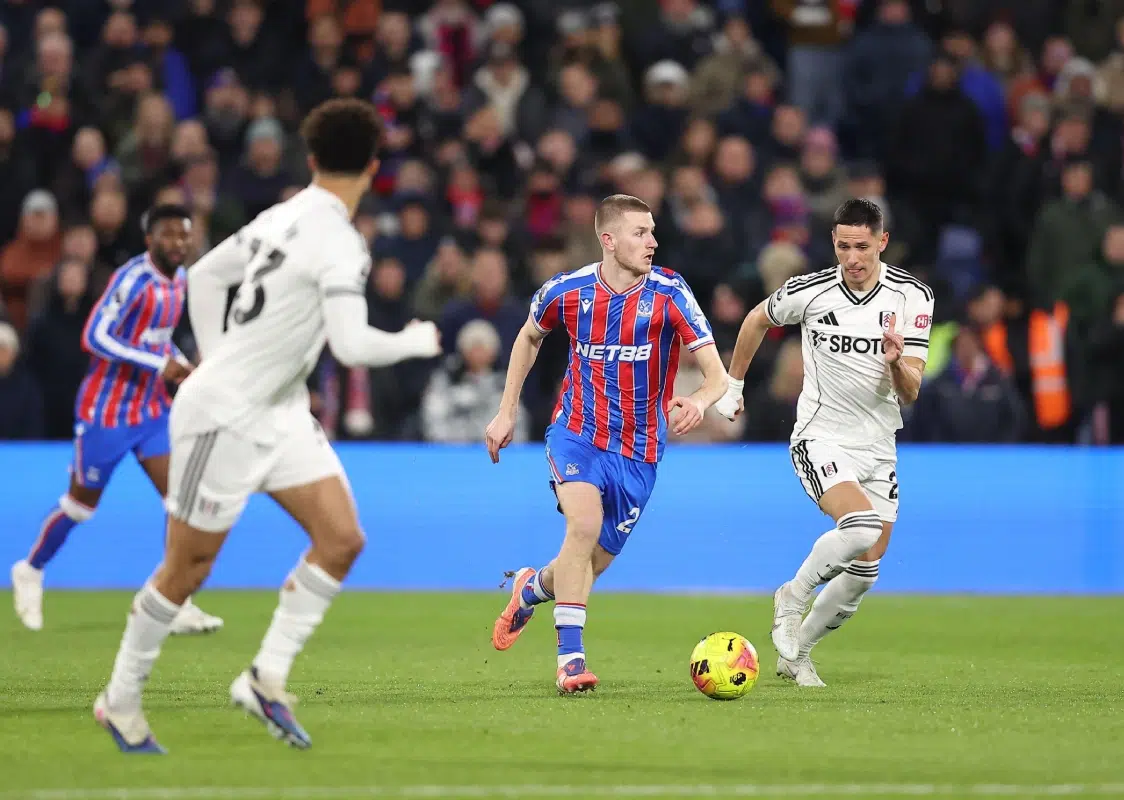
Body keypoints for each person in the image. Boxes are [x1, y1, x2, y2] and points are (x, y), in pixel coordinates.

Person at [92, 98, 442, 754]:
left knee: (340, 539)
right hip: (224, 415)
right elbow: (352, 344)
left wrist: (219, 354)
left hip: (279, 412)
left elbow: (205, 276)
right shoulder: (341, 242)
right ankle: (120, 699)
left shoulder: (281, 215)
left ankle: (265, 678)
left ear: (310, 158)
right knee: (187, 569)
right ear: (374, 166)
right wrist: (415, 340)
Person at [484, 193, 729, 694]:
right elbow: (528, 337)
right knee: (583, 525)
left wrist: (700, 401)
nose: (652, 242)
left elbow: (717, 375)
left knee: (589, 563)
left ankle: (530, 588)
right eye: (641, 233)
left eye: (653, 232)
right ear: (608, 239)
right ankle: (570, 662)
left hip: (640, 452)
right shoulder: (566, 291)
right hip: (577, 434)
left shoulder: (670, 293)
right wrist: (506, 410)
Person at [713, 198, 934, 687]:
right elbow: (756, 320)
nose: (852, 258)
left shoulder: (912, 296)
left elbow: (911, 392)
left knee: (866, 570)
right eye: (843, 247)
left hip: (879, 445)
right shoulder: (811, 291)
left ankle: (798, 655)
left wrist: (896, 362)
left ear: (882, 242)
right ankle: (791, 597)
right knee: (859, 527)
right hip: (821, 437)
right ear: (833, 243)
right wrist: (734, 385)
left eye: (862, 247)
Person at [10, 205, 223, 636]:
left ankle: (172, 600)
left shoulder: (179, 280)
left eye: (184, 235)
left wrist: (178, 363)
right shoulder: (132, 280)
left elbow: (155, 339)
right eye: (168, 235)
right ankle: (30, 569)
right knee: (80, 506)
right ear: (149, 240)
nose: (178, 243)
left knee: (179, 499)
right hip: (107, 410)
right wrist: (158, 364)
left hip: (150, 409)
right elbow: (95, 335)